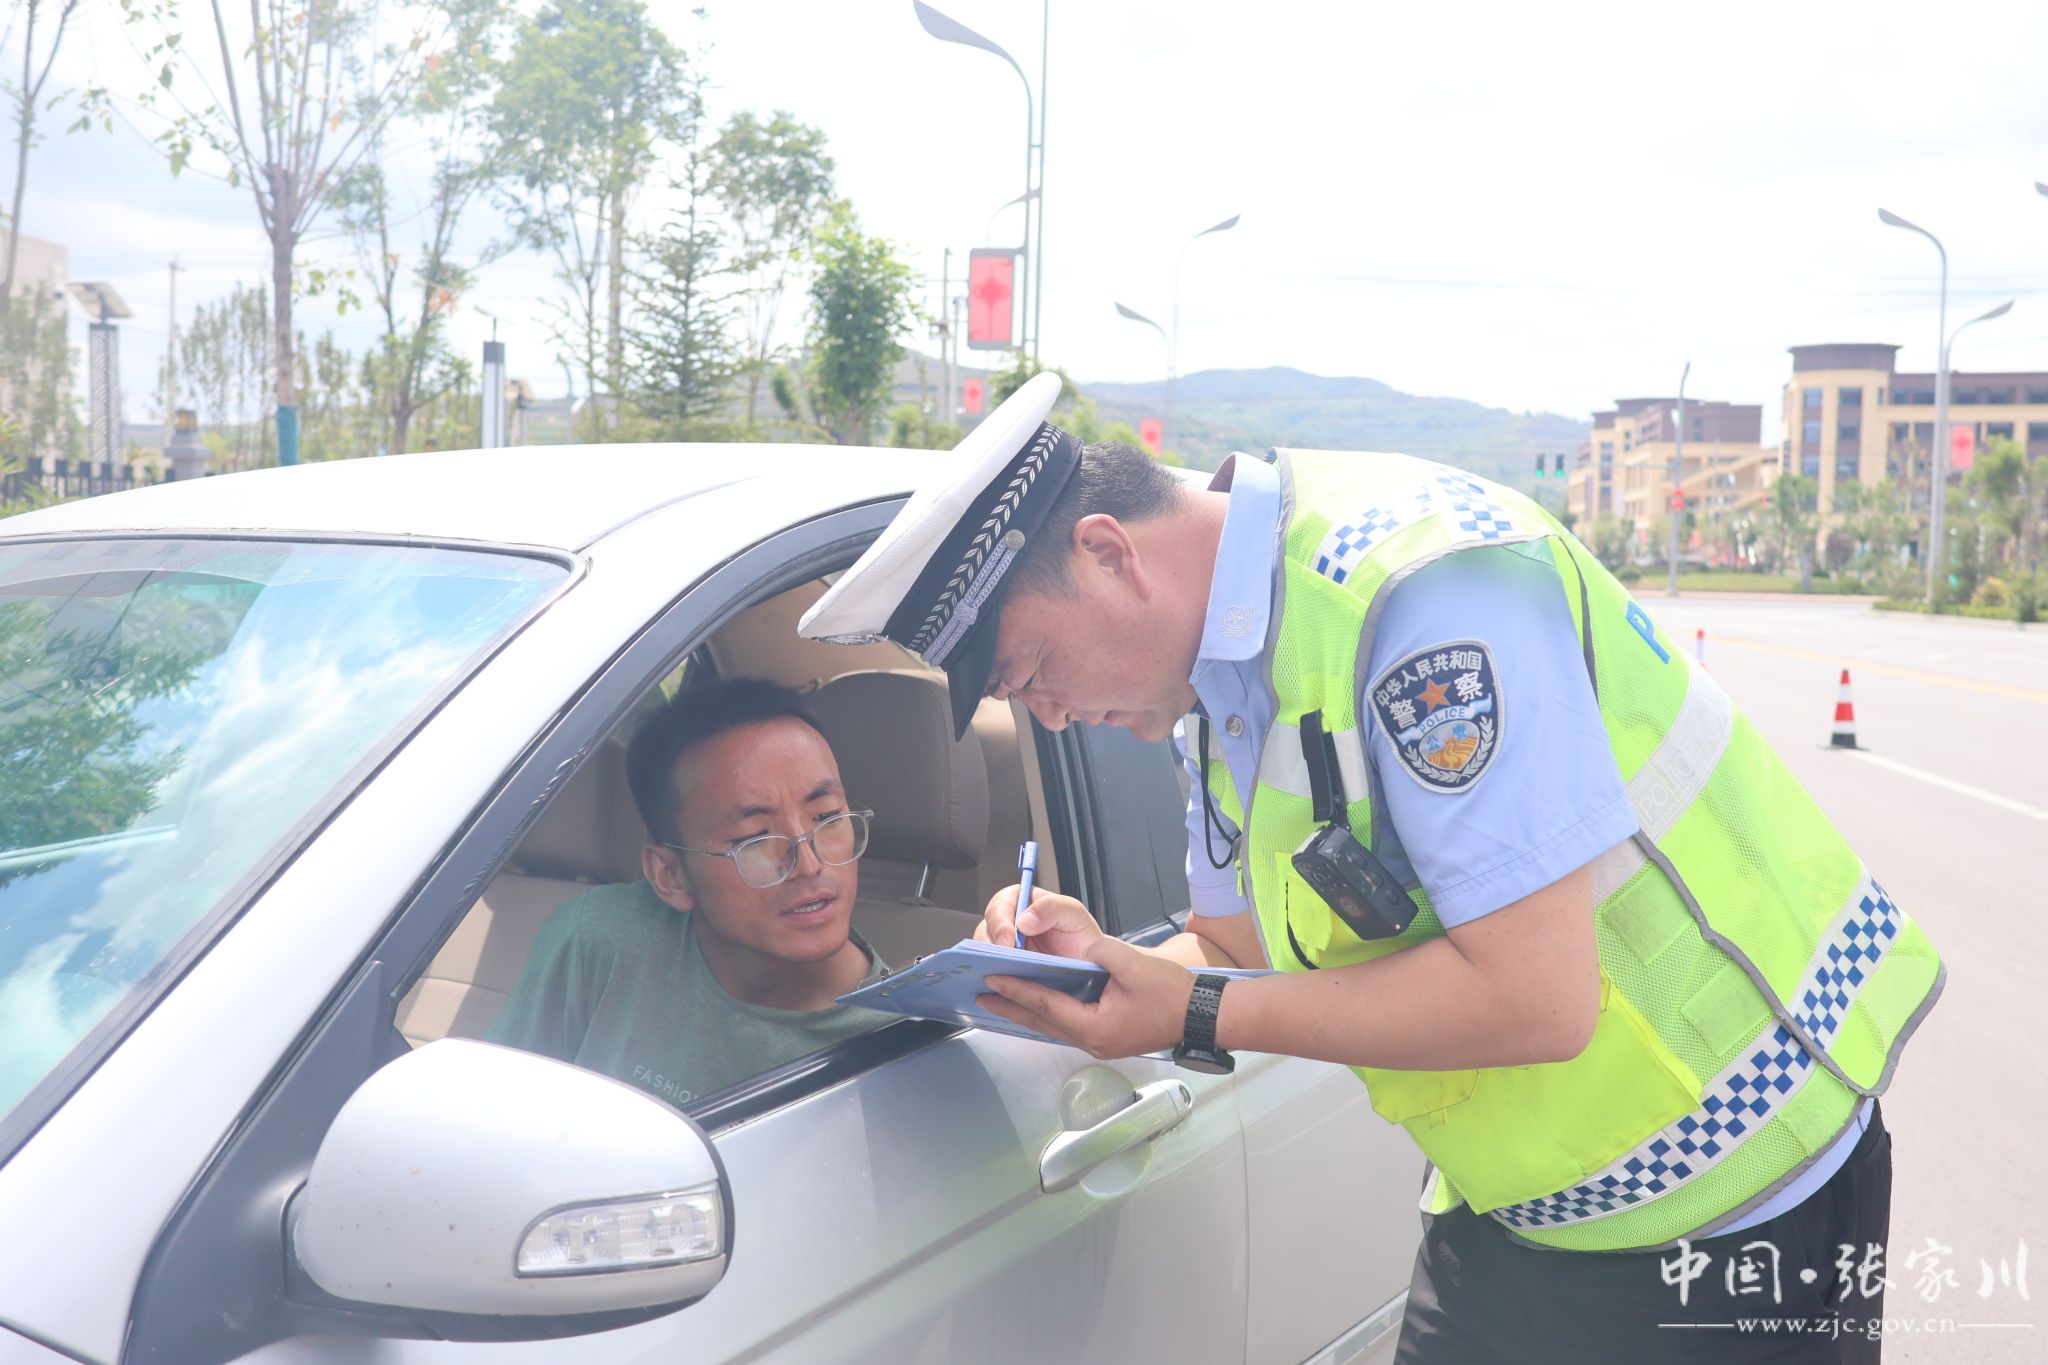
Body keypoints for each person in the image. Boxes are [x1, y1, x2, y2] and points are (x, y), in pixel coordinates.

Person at [797, 373, 1942, 1362]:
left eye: (1030, 669)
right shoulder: (1212, 678)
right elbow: (1235, 948)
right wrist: (1095, 966)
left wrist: (1188, 1010)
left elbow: (1535, 997)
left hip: (1727, 1203)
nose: (1046, 716)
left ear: (1106, 553)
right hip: (1515, 1209)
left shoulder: (1420, 595)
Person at [486, 677, 890, 1108]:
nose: (809, 864)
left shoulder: (898, 1037)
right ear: (671, 876)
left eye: (827, 817)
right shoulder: (598, 942)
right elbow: (496, 1115)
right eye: (753, 839)